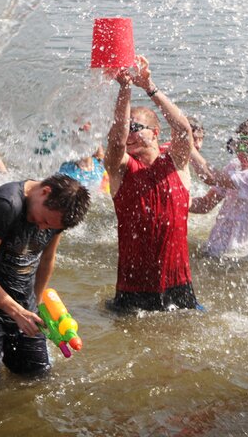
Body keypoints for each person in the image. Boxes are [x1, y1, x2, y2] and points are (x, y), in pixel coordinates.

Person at [0, 174, 90, 387]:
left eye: (50, 227)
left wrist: (35, 303)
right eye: (45, 220)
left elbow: (47, 258)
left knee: (37, 379)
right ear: (44, 191)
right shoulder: (5, 205)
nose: (42, 228)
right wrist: (16, 311)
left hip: (24, 308)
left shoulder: (57, 217)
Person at [104, 56, 197, 312]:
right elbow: (115, 143)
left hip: (179, 285)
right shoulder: (121, 168)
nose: (129, 133)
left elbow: (183, 131)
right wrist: (124, 89)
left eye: (136, 127)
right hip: (133, 289)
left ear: (155, 133)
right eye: (127, 127)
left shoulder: (177, 164)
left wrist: (150, 88)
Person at [189, 119, 248, 258]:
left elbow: (210, 177)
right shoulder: (235, 166)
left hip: (232, 257)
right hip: (212, 248)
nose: (242, 153)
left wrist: (188, 146)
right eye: (238, 145)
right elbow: (205, 205)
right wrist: (175, 200)